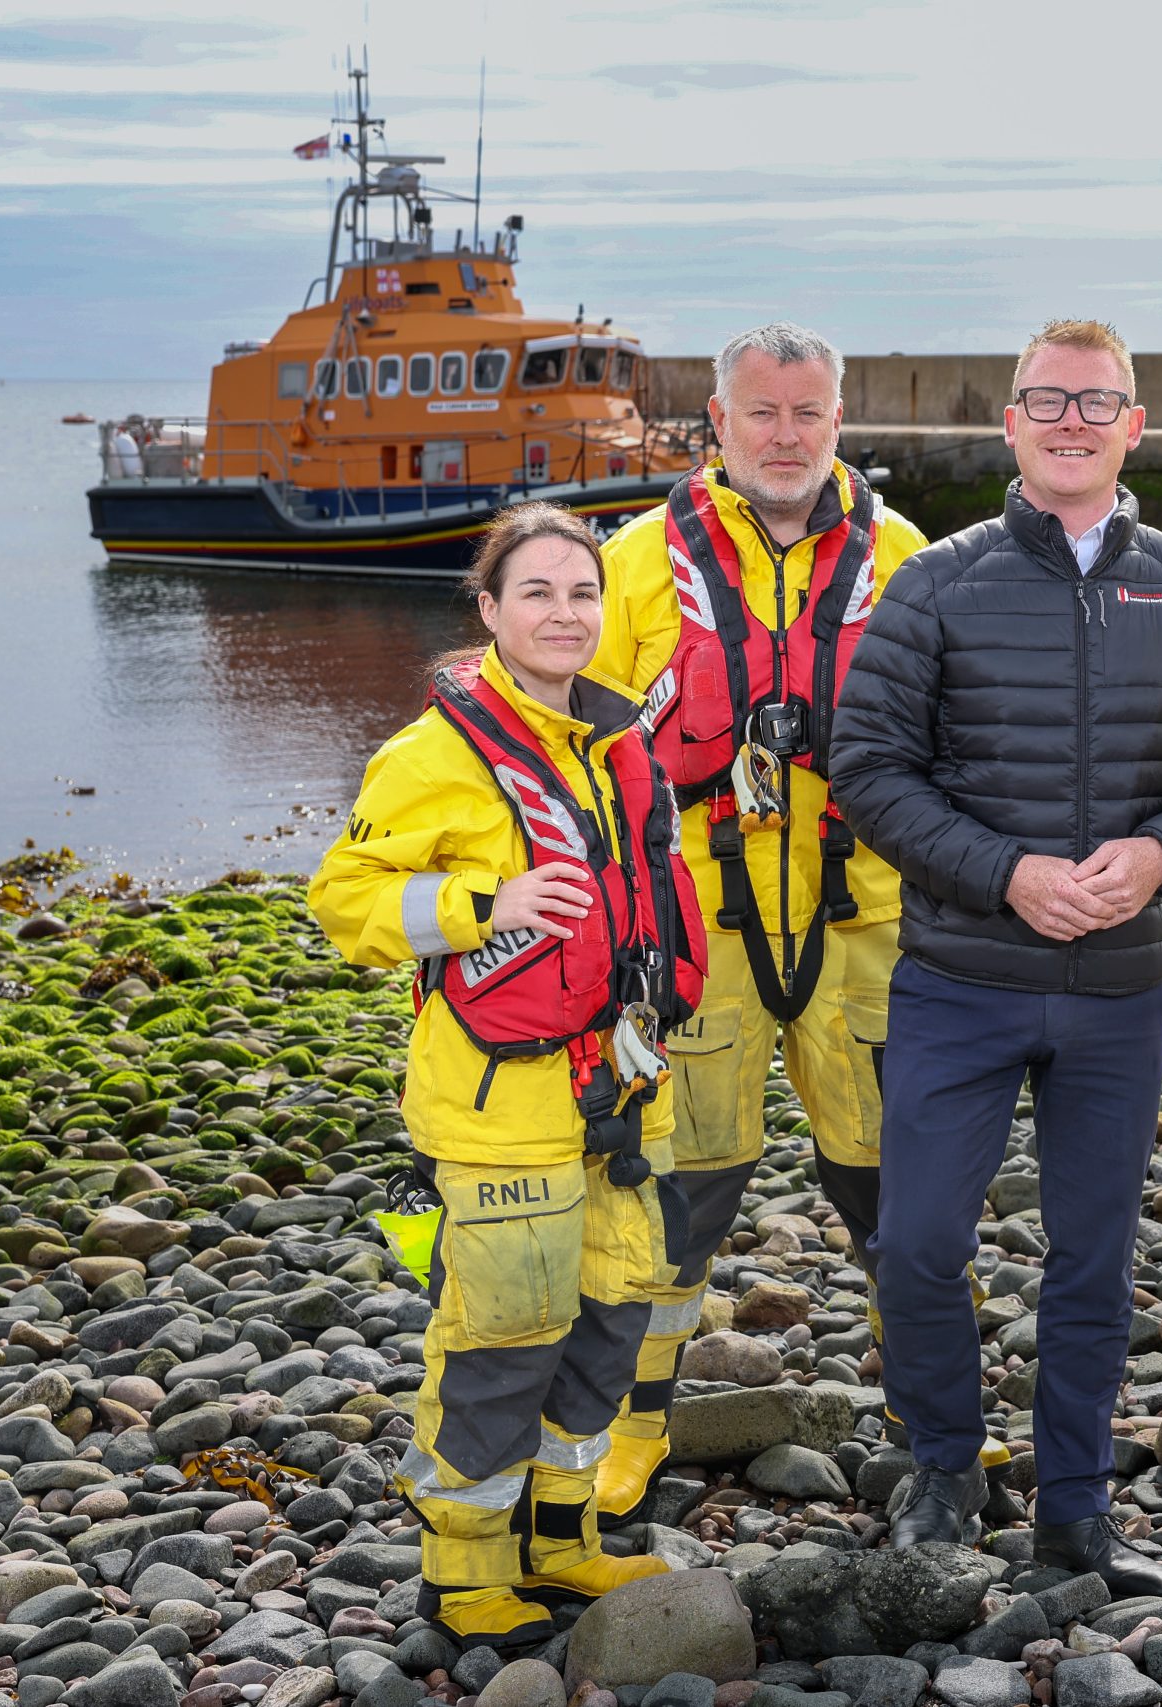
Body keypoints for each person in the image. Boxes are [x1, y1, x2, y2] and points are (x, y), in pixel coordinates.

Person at [829, 319, 1162, 1592]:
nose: (1071, 421)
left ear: (1133, 426)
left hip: (1120, 991)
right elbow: (867, 766)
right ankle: (944, 1468)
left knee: (1093, 1258)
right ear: (1010, 424)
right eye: (1047, 400)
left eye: (1096, 402)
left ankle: (1076, 1508)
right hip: (959, 981)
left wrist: (1157, 855)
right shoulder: (938, 582)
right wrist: (1005, 874)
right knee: (917, 1243)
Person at [309, 502, 705, 1653]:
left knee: (613, 1317)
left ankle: (561, 1533)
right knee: (501, 1336)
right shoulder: (431, 756)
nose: (563, 613)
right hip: (499, 1100)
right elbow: (343, 902)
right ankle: (467, 1568)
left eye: (582, 593)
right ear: (489, 611)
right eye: (536, 592)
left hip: (623, 1091)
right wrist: (484, 904)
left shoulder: (623, 744)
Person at [585, 323, 930, 1523]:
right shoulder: (630, 565)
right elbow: (555, 750)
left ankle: (934, 1423)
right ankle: (634, 1426)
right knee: (673, 1191)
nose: (786, 437)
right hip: (694, 935)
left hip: (869, 925)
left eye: (808, 413)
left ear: (840, 422)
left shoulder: (908, 558)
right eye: (762, 413)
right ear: (717, 424)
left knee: (903, 1190)